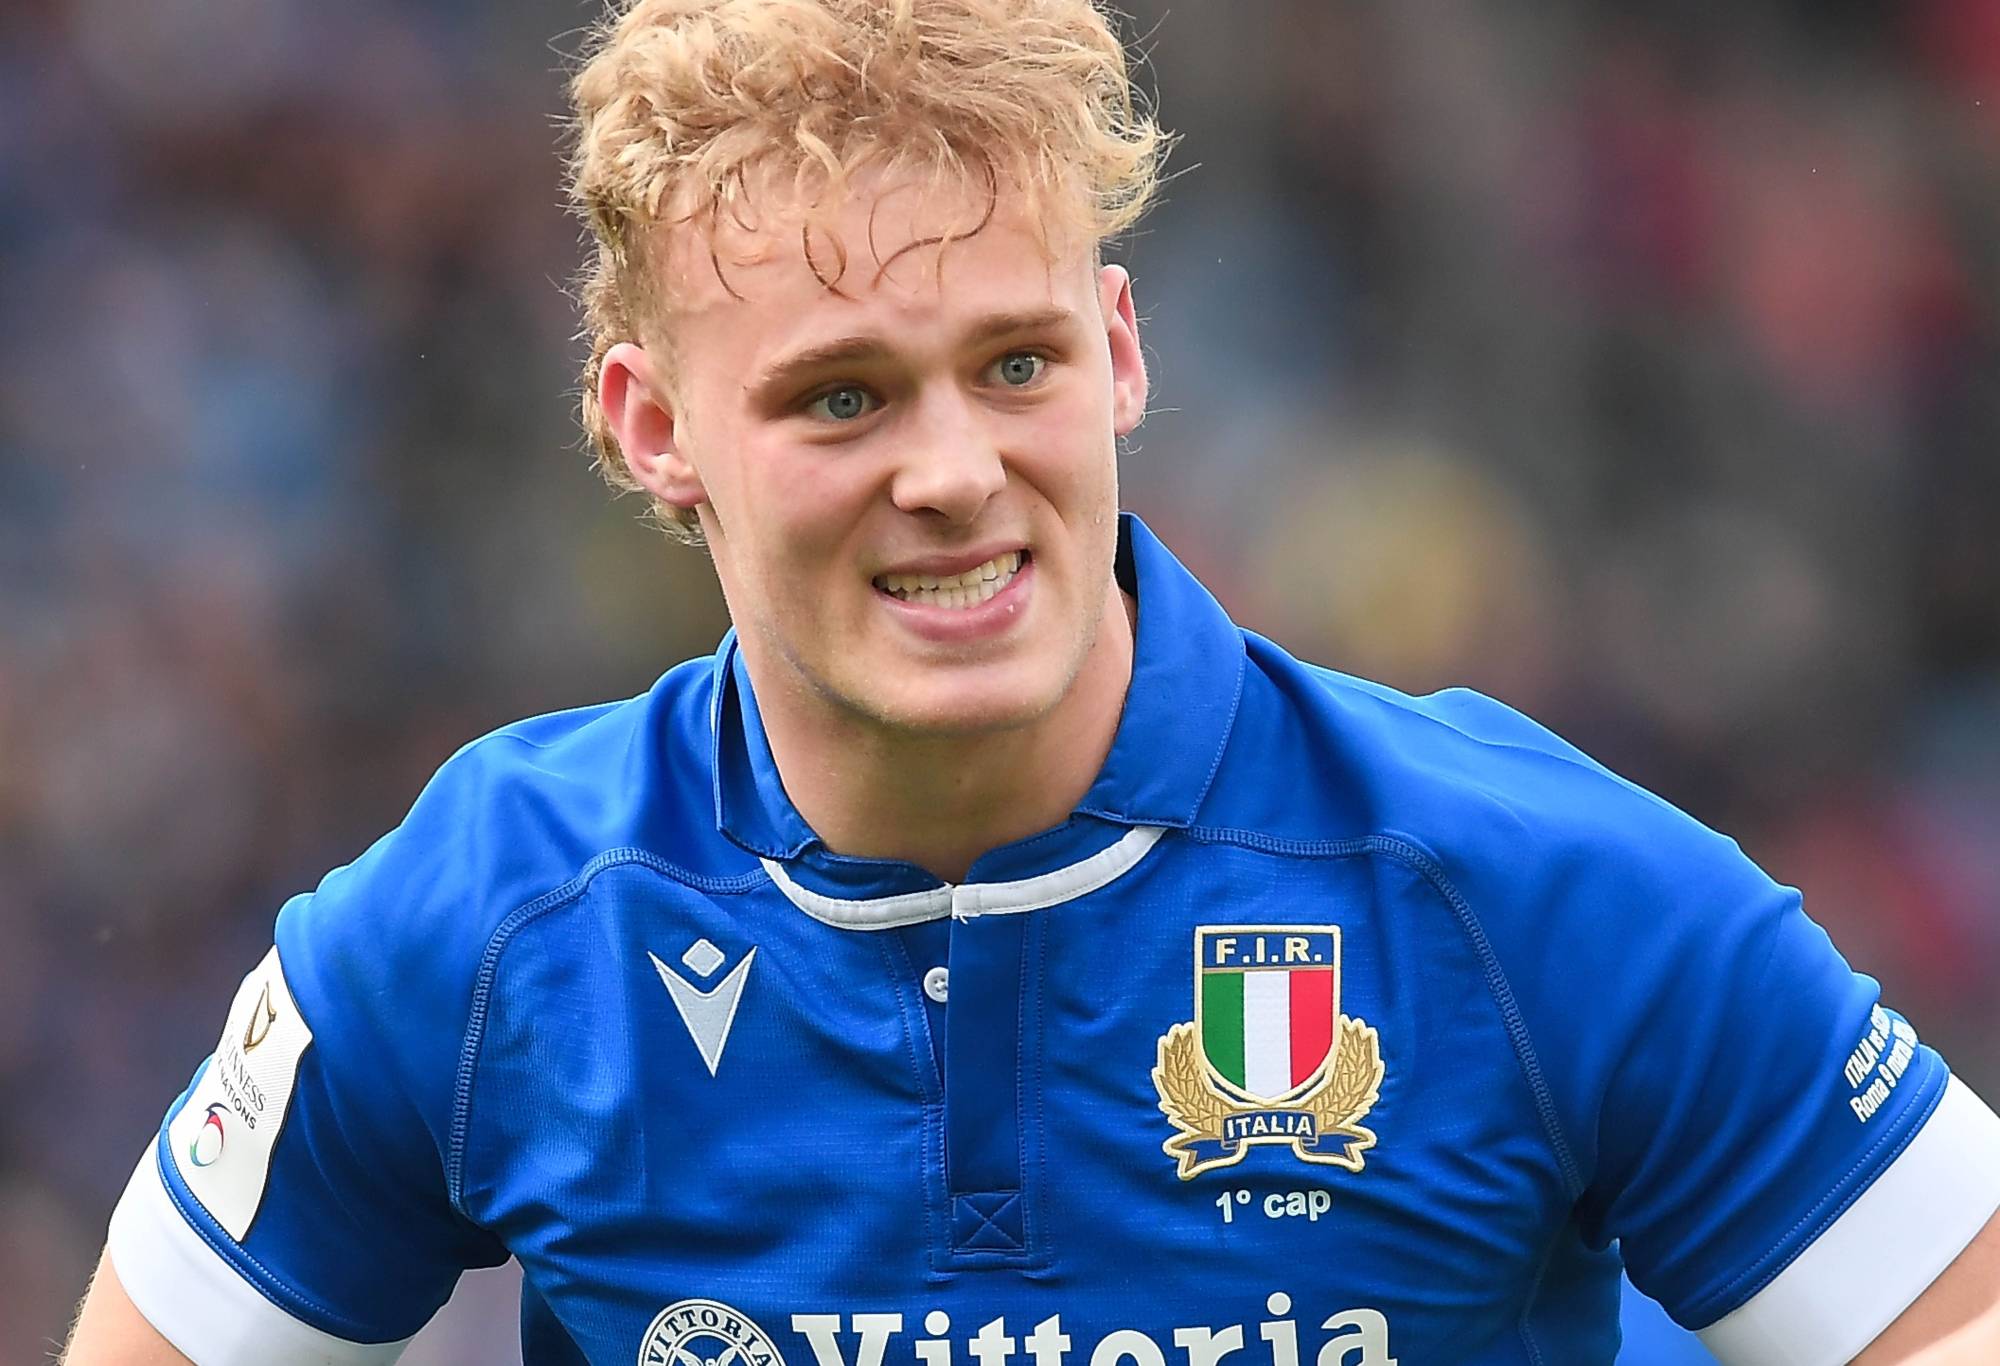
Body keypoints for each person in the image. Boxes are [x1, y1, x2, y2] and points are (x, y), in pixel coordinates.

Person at [61, 1, 2000, 1362]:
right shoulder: (490, 919)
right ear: (651, 425)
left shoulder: (1524, 887)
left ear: (1123, 352)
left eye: (1013, 364)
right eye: (842, 394)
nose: (955, 467)